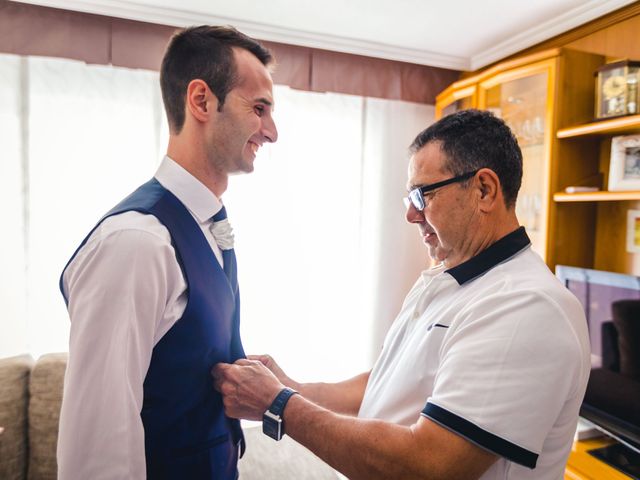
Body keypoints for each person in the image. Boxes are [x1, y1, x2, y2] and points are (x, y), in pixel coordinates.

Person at [212, 109, 590, 480]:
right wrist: (294, 389)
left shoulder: (525, 308)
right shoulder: (450, 276)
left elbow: (426, 465)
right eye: (409, 199)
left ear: (484, 190)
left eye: (423, 196)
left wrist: (278, 404)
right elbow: (394, 381)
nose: (411, 215)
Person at [58, 25, 277, 479]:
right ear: (201, 100)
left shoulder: (207, 227)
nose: (271, 132)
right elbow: (98, 445)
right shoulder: (136, 243)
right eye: (259, 109)